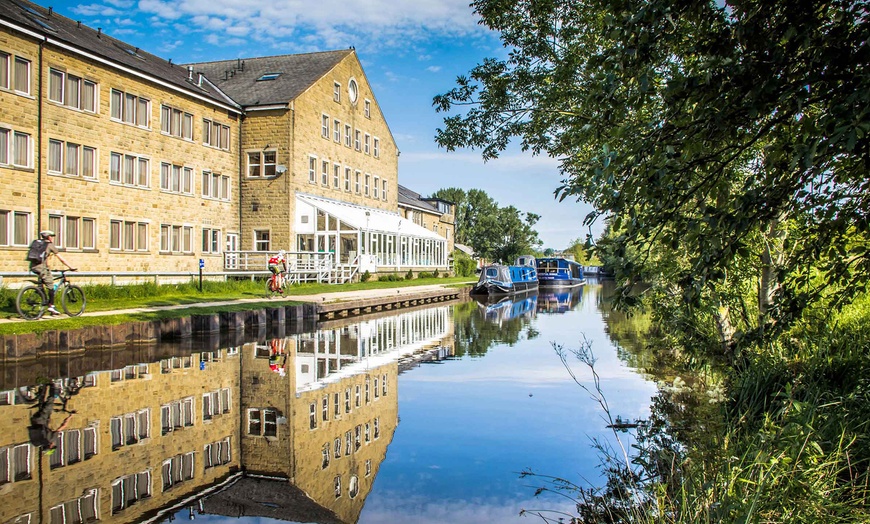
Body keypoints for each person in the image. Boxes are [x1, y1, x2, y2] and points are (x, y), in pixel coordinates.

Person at [28, 230, 75, 315]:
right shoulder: (49, 245)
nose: (53, 238)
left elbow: (43, 258)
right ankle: (51, 306)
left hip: (33, 267)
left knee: (43, 282)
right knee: (50, 286)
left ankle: (43, 299)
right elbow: (61, 259)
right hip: (42, 269)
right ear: (49, 237)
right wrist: (70, 267)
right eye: (52, 236)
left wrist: (48, 267)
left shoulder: (37, 243)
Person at [28, 382, 74, 452]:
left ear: (50, 446)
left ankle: (52, 385)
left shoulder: (51, 439)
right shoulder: (38, 442)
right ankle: (41, 388)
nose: (54, 444)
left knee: (50, 402)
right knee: (42, 404)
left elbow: (62, 426)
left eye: (53, 446)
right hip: (34, 420)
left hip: (42, 419)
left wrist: (70, 416)